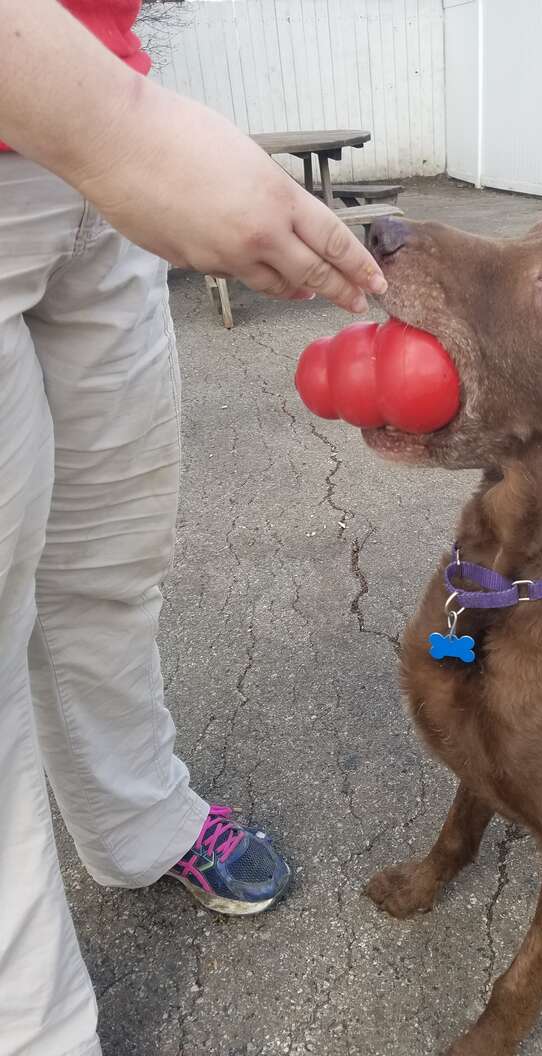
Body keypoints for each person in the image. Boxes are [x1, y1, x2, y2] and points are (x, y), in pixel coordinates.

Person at [0, 2, 387, 1053]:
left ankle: (137, 824)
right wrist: (119, 124)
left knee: (108, 567)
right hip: (84, 116)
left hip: (87, 150)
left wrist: (116, 111)